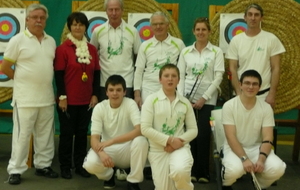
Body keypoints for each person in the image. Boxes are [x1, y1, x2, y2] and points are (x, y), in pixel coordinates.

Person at [1, 4, 58, 185]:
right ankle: (16, 169)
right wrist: (19, 80)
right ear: (27, 19)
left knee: (45, 135)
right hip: (25, 99)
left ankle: (43, 165)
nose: (38, 20)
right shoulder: (17, 40)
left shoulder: (51, 41)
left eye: (42, 17)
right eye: (34, 17)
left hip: (46, 98)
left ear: (45, 20)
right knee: (22, 136)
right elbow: (4, 67)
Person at [177, 17, 225, 183]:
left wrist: (204, 98)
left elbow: (218, 77)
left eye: (204, 29)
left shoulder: (216, 52)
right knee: (190, 136)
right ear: (193, 31)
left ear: (209, 31)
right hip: (187, 100)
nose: (200, 32)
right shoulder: (185, 52)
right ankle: (190, 171)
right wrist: (182, 99)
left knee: (204, 135)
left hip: (208, 101)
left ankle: (203, 172)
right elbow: (181, 76)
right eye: (197, 29)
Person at [54, 12, 100, 179]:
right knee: (67, 135)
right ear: (69, 27)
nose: (78, 27)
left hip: (86, 100)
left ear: (85, 27)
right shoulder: (62, 49)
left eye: (81, 24)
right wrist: (62, 97)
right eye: (74, 24)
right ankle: (65, 166)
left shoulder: (92, 50)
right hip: (68, 101)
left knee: (82, 134)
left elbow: (96, 74)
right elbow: (58, 75)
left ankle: (80, 165)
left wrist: (95, 95)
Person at [221, 70, 286, 190]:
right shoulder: (229, 106)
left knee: (278, 168)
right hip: (234, 148)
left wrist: (261, 160)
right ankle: (226, 184)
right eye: (247, 83)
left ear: (259, 87)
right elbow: (231, 137)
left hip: (257, 148)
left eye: (255, 84)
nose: (251, 87)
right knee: (234, 170)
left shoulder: (266, 108)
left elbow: (267, 137)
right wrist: (244, 159)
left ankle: (258, 183)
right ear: (240, 85)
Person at [83, 75, 148, 190]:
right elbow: (94, 139)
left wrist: (112, 140)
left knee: (141, 141)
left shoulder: (130, 104)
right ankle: (109, 176)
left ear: (124, 92)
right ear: (106, 92)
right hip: (108, 151)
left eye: (118, 90)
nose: (115, 93)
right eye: (111, 90)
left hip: (127, 149)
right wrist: (102, 154)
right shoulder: (99, 108)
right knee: (89, 164)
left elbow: (139, 130)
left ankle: (133, 181)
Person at [141, 64, 198, 190]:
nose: (170, 79)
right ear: (160, 79)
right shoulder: (151, 100)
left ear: (178, 80)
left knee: (180, 171)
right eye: (166, 76)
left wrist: (179, 142)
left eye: (174, 76)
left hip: (180, 148)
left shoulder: (185, 102)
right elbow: (145, 128)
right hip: (158, 150)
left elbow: (193, 130)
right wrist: (169, 140)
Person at [226, 3, 285, 108]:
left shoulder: (271, 39)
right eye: (250, 14)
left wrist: (272, 94)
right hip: (241, 94)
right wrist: (239, 93)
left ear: (261, 18)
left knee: (263, 125)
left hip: (264, 95)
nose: (253, 18)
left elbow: (276, 68)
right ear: (245, 17)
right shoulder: (236, 40)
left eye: (256, 15)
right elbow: (232, 68)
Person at [90, 0, 141, 101]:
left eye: (117, 9)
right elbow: (92, 55)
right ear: (106, 11)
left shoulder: (133, 31)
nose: (114, 13)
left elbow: (138, 57)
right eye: (111, 10)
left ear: (122, 11)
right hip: (104, 83)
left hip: (127, 83)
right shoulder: (97, 31)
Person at [134, 12, 185, 109]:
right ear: (151, 27)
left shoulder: (178, 44)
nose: (158, 26)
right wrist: (137, 95)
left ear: (167, 25)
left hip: (170, 88)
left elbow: (183, 70)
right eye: (155, 24)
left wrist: (180, 91)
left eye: (161, 23)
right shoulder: (144, 45)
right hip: (148, 89)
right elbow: (138, 71)